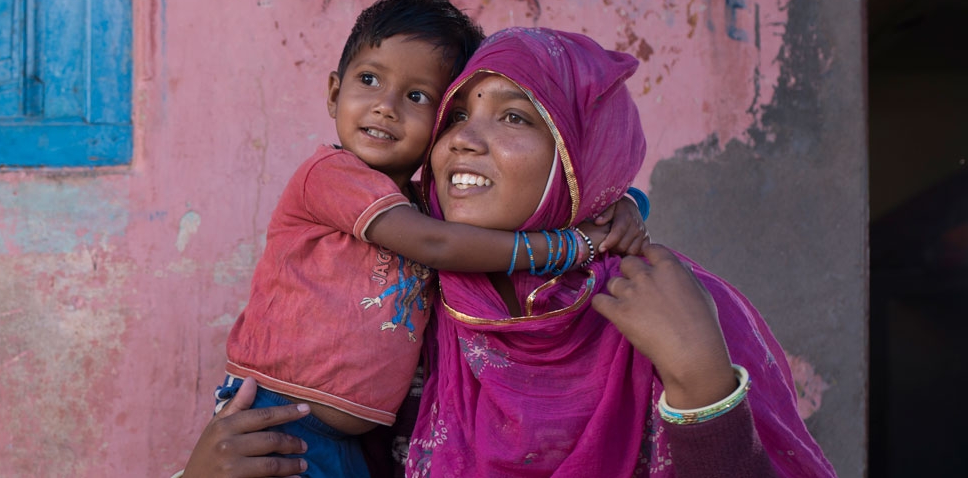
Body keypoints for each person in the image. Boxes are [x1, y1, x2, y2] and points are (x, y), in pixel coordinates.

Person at [186, 27, 835, 477]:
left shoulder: (670, 306)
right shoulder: (418, 313)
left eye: (515, 116)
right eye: (455, 117)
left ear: (582, 157)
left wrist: (702, 389)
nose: (464, 140)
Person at [213, 0, 649, 478]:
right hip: (277, 417)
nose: (386, 107)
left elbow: (572, 188)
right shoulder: (332, 176)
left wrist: (624, 205)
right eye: (370, 80)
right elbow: (436, 246)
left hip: (346, 437)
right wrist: (568, 246)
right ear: (334, 92)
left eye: (417, 97)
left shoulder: (425, 205)